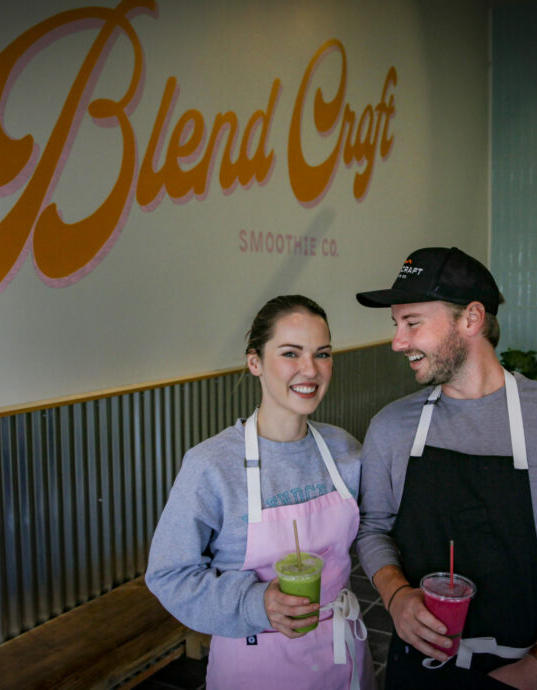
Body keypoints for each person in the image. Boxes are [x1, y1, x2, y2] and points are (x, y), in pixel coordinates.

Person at [354, 247, 537, 689]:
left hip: (528, 670)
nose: (398, 342)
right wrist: (396, 595)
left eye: (412, 323)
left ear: (472, 318)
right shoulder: (391, 426)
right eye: (395, 324)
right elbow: (373, 528)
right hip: (418, 667)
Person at [146, 295, 375, 690]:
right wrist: (255, 603)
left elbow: (378, 529)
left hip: (343, 654)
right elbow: (170, 575)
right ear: (255, 362)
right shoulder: (212, 465)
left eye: (322, 354)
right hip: (254, 662)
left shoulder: (344, 450)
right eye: (290, 353)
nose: (310, 369)